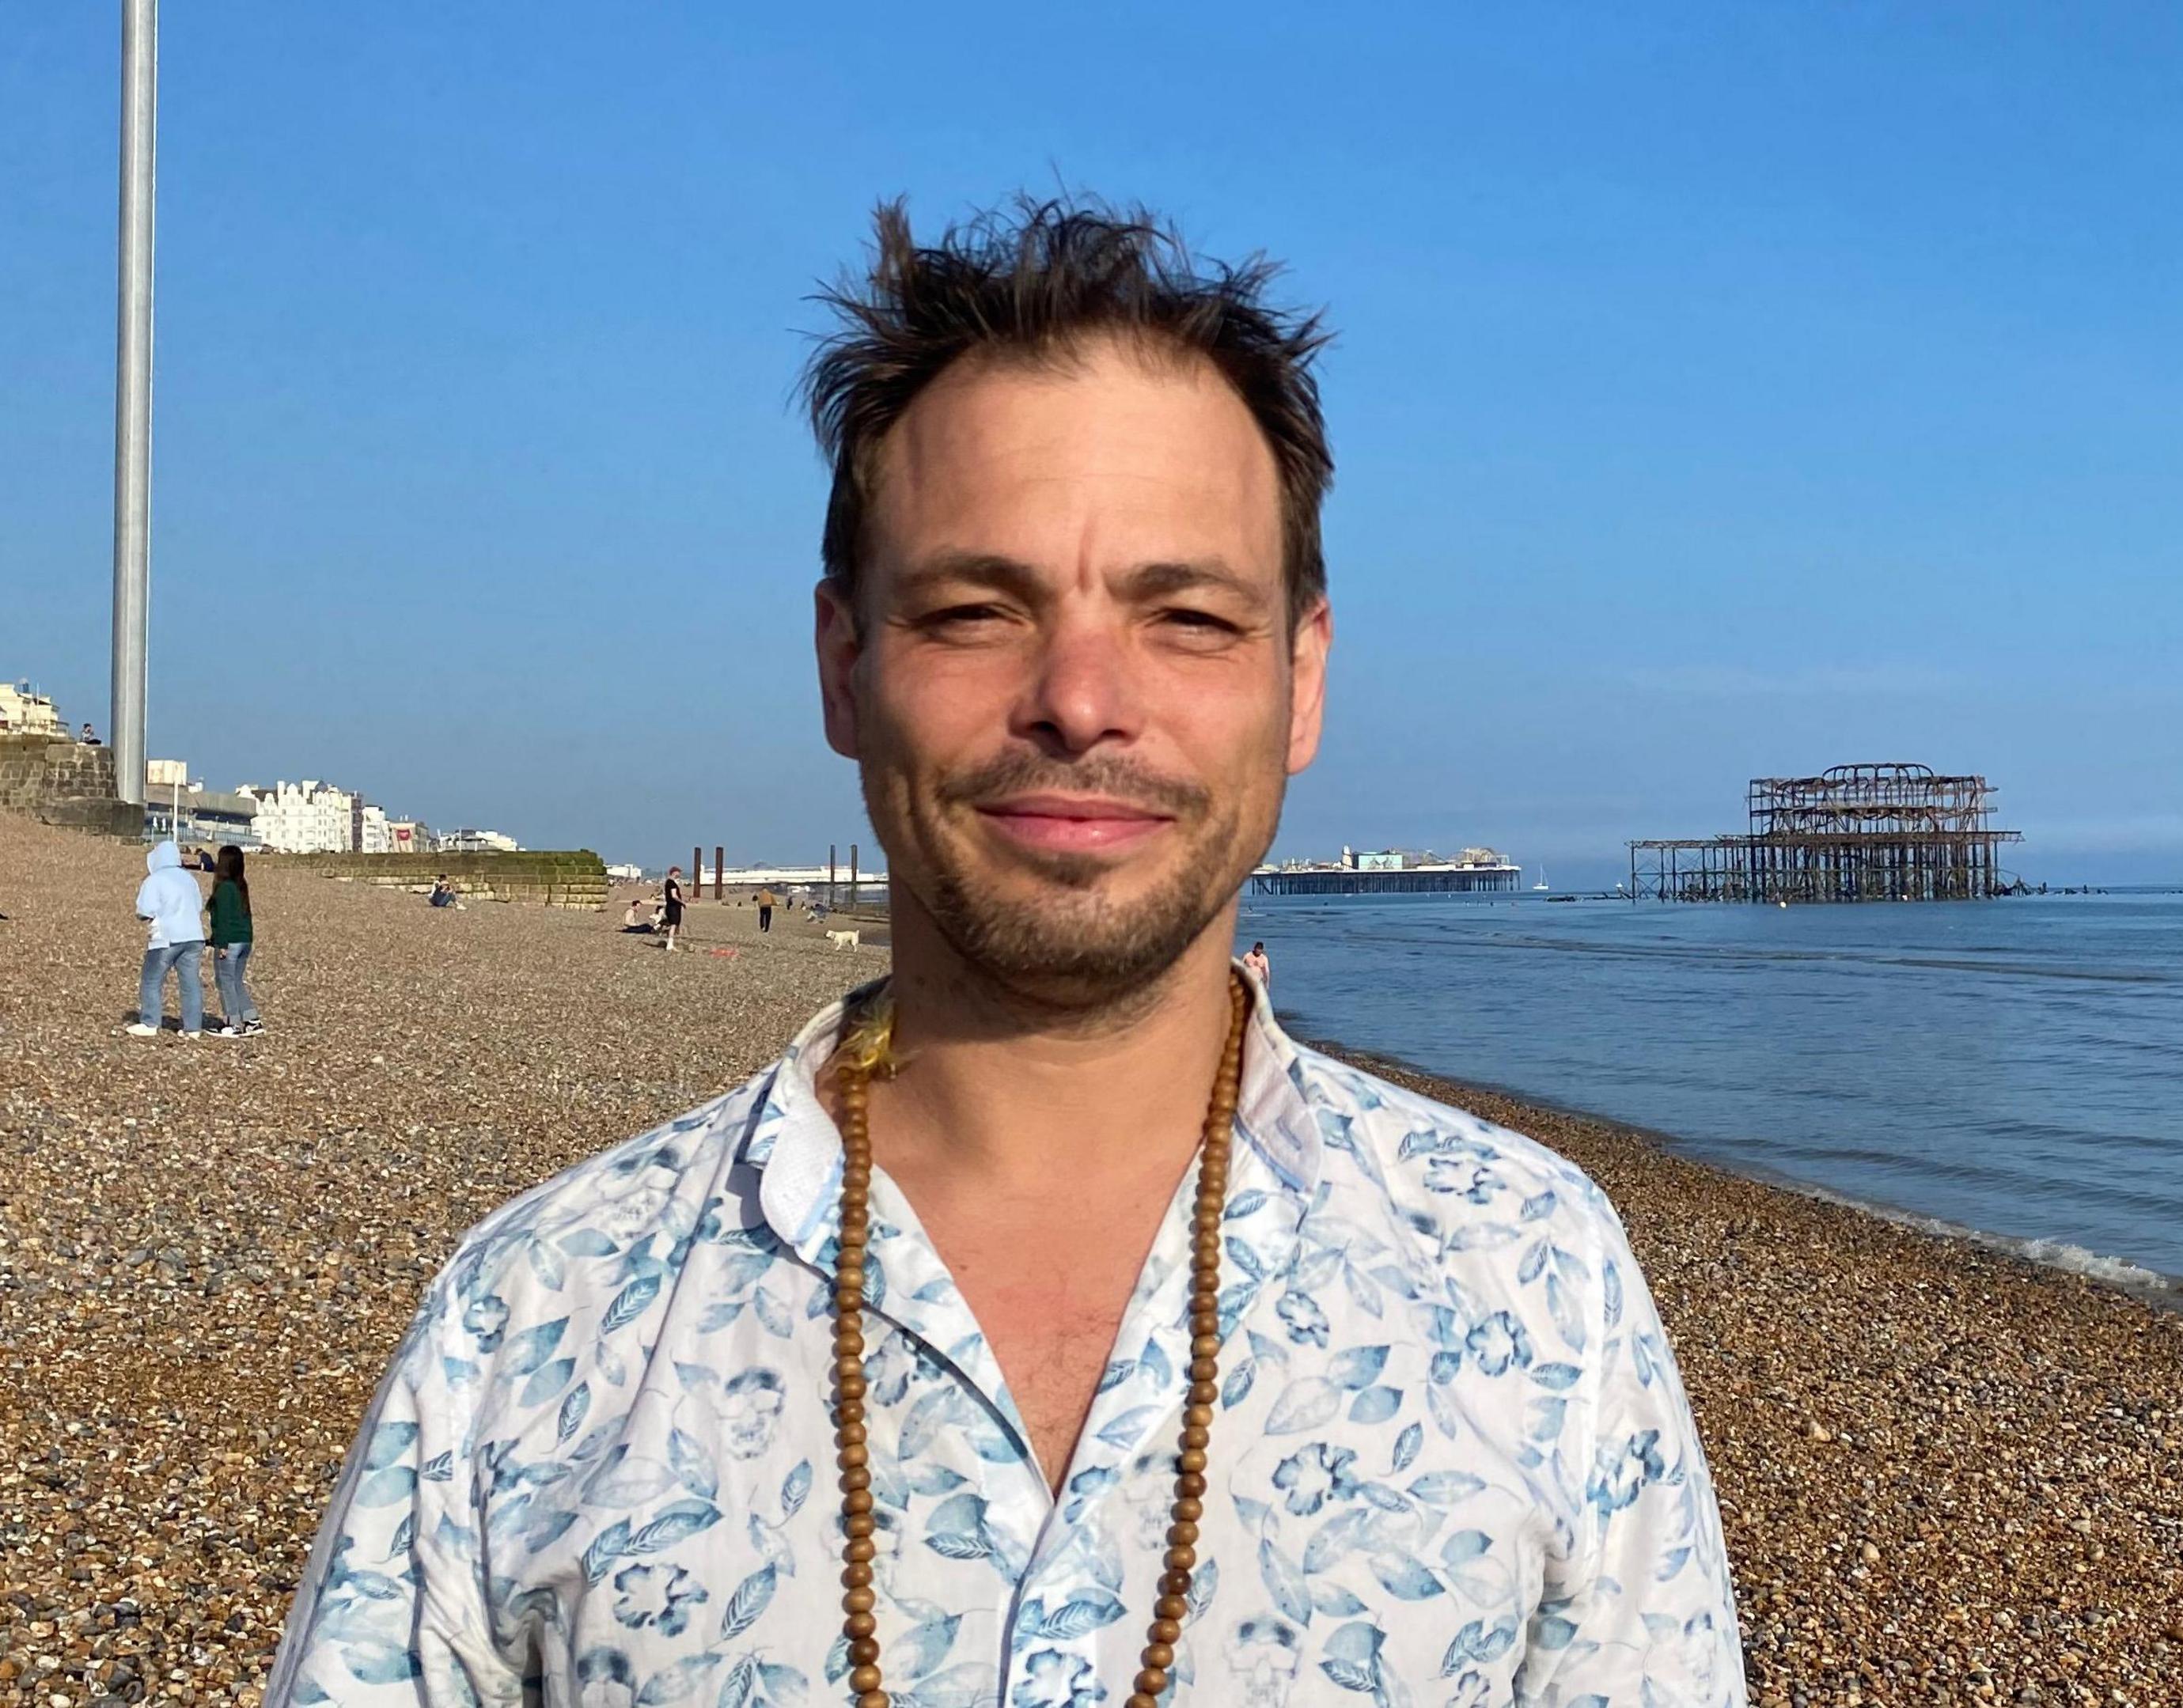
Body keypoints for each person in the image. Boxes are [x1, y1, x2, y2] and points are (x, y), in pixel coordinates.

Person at [270, 195, 1739, 1708]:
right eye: (977, 608)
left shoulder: (1531, 1273)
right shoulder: (541, 1311)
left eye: (1188, 614)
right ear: (846, 666)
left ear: (1302, 681)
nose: (1082, 698)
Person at [127, 839, 206, 1037]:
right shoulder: (189, 879)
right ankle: (193, 1027)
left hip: (167, 937)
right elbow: (199, 906)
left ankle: (150, 1022)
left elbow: (145, 910)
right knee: (190, 983)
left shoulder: (155, 879)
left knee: (152, 979)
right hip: (194, 936)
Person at [207, 843, 263, 1036]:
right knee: (236, 981)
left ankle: (233, 1023)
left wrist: (220, 944)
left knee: (225, 982)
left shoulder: (224, 889)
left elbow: (223, 920)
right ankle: (251, 1019)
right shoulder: (241, 886)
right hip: (244, 940)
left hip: (229, 941)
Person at [658, 865, 685, 949]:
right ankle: (670, 945)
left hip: (670, 906)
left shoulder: (668, 882)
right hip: (673, 907)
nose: (679, 874)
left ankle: (670, 943)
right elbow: (674, 896)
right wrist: (682, 902)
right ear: (674, 873)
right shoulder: (672, 883)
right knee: (673, 925)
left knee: (673, 925)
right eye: (678, 872)